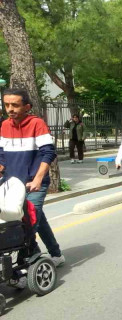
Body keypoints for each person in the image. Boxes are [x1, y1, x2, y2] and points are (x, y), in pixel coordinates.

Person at [0, 88, 65, 266]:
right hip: (13, 185)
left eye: (15, 105)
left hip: (34, 183)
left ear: (27, 106)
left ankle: (25, 265)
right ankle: (56, 254)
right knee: (37, 219)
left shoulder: (37, 124)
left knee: (27, 226)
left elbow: (48, 153)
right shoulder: (5, 125)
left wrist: (37, 179)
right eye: (7, 105)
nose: (10, 109)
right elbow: (2, 155)